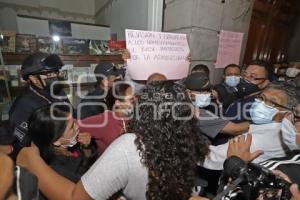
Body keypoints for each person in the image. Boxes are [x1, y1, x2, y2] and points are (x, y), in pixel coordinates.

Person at [16, 81, 210, 200]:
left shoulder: (136, 138)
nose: (76, 126)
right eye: (128, 100)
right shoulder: (121, 135)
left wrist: (86, 150)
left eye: (135, 101)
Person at [203, 82, 298, 170]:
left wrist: (189, 140)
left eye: (272, 103)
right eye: (261, 98)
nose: (261, 104)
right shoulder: (282, 132)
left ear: (288, 113)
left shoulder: (257, 140)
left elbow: (210, 158)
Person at [9, 53, 71, 158]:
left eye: (55, 72)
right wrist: (53, 149)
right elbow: (23, 145)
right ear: (33, 78)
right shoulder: (23, 106)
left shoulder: (58, 91)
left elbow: (70, 114)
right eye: (48, 74)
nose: (54, 77)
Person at [28, 106, 96, 184]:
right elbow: (86, 182)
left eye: (74, 121)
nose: (77, 126)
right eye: (71, 127)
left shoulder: (70, 144)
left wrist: (86, 148)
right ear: (56, 141)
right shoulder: (60, 171)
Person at [184, 72, 249, 142]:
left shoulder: (183, 105)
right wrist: (253, 121)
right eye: (201, 91)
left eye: (207, 90)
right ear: (188, 92)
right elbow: (236, 129)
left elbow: (221, 117)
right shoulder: (198, 114)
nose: (206, 94)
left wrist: (218, 102)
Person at [79, 82, 136, 156]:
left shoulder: (134, 116)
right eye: (131, 99)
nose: (136, 100)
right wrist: (85, 146)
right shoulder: (103, 121)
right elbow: (73, 126)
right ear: (118, 103)